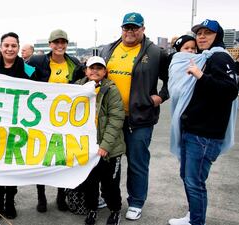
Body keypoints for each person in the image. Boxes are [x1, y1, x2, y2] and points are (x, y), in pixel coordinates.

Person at [99, 12, 169, 220]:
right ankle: (107, 196)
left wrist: (161, 97)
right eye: (126, 28)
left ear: (143, 29)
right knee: (109, 161)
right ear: (121, 29)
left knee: (137, 161)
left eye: (134, 28)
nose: (130, 31)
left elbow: (172, 79)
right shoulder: (107, 49)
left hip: (139, 119)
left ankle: (136, 201)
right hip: (112, 119)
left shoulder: (156, 52)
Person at [168, 19, 238, 225]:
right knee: (188, 178)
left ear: (218, 36)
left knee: (195, 181)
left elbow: (230, 91)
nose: (201, 36)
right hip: (193, 130)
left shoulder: (219, 58)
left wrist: (201, 76)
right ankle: (193, 216)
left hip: (205, 134)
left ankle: (196, 222)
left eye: (207, 33)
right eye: (199, 33)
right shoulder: (204, 57)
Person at [28, 28, 85, 213]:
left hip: (64, 120)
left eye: (63, 42)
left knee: (62, 158)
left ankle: (61, 196)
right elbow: (21, 77)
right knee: (41, 158)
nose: (60, 45)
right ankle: (41, 196)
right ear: (50, 44)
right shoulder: (37, 61)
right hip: (41, 119)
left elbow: (83, 84)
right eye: (56, 42)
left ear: (66, 44)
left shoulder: (74, 63)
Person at [0, 32, 38, 219]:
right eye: (6, 45)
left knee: (11, 164)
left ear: (18, 48)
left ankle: (10, 201)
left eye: (13, 46)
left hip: (18, 126)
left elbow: (42, 92)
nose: (10, 49)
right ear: (1, 47)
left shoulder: (29, 69)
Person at [75, 56, 125, 225]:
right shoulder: (76, 88)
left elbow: (116, 119)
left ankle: (115, 210)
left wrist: (105, 146)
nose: (95, 71)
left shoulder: (111, 89)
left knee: (110, 184)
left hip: (109, 149)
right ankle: (92, 210)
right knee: (90, 183)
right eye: (91, 68)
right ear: (85, 70)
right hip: (87, 148)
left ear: (105, 71)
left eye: (99, 68)